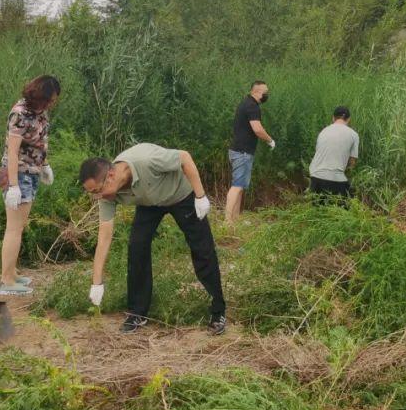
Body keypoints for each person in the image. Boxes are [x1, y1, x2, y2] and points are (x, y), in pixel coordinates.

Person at [79, 143, 226, 335]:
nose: (96, 197)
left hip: (180, 195)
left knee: (202, 248)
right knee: (136, 247)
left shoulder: (146, 160)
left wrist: (200, 196)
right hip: (149, 203)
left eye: (96, 191)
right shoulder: (107, 196)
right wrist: (96, 283)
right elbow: (104, 239)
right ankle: (137, 313)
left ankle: (218, 312)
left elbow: (184, 157)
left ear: (111, 177)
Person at [0, 75, 61, 296]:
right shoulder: (20, 113)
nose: (52, 103)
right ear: (41, 94)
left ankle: (12, 272)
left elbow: (40, 141)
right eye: (51, 98)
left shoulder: (40, 112)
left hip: (32, 172)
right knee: (14, 228)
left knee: (20, 227)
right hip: (17, 173)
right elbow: (13, 151)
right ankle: (5, 280)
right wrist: (13, 186)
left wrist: (45, 164)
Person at [225, 81, 274, 223]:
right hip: (242, 152)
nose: (266, 95)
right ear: (257, 92)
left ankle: (236, 218)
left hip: (238, 150)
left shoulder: (245, 103)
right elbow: (257, 129)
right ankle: (227, 222)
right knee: (237, 187)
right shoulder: (252, 106)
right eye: (265, 92)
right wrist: (270, 140)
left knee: (239, 186)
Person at [308, 105, 360, 203]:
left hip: (315, 177)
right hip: (336, 180)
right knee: (342, 212)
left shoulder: (323, 131)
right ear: (348, 119)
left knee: (317, 212)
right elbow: (352, 163)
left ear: (333, 118)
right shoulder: (353, 135)